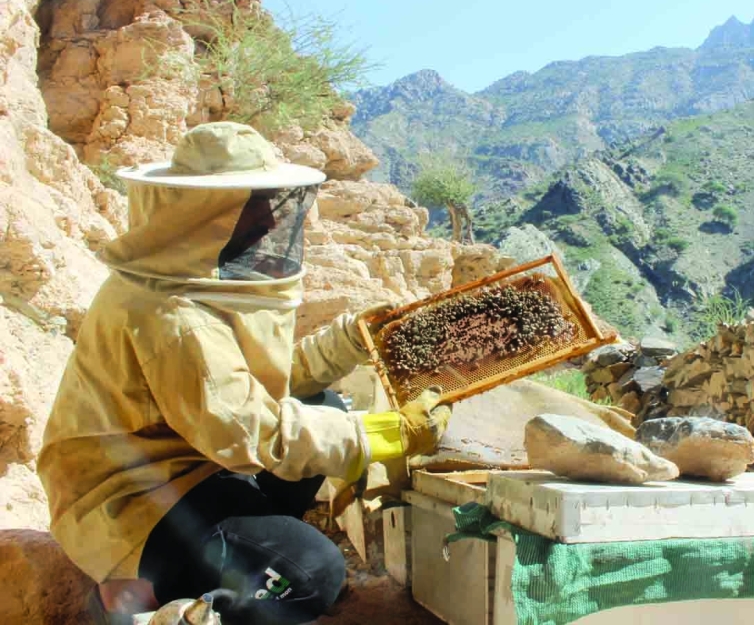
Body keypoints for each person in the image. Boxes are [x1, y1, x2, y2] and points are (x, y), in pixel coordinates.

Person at [36, 122, 453, 625]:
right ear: (205, 212)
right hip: (129, 506)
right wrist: (387, 434)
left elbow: (255, 387)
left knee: (321, 405)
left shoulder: (188, 286)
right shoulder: (171, 316)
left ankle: (238, 557)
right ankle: (172, 611)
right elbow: (249, 431)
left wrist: (348, 340)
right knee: (312, 573)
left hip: (184, 466)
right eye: (254, 201)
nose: (268, 218)